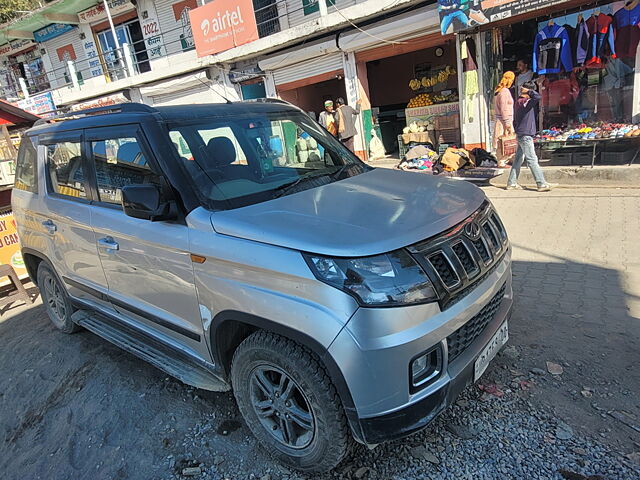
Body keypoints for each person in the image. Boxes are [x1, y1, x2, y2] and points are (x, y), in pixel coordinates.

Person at [507, 81, 552, 192]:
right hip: (525, 134)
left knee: (518, 159)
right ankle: (541, 183)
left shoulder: (520, 101)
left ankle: (511, 183)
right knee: (532, 159)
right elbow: (538, 97)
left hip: (522, 133)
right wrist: (529, 91)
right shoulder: (524, 102)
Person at [493, 71, 515, 167]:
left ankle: (507, 159)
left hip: (501, 119)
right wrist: (507, 122)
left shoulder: (498, 91)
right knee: (505, 141)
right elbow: (504, 108)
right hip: (504, 120)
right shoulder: (504, 92)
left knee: (502, 141)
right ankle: (502, 161)